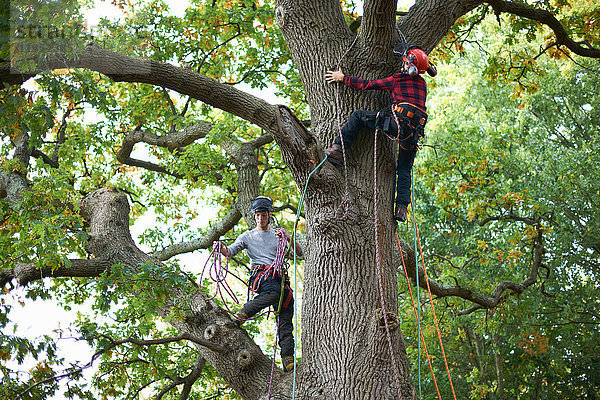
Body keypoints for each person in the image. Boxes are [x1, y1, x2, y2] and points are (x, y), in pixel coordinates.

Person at [324, 43, 437, 222]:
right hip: (414, 133)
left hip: (397, 123)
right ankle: (401, 207)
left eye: (406, 62)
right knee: (405, 168)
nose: (403, 64)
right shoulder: (422, 85)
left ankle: (338, 150)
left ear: (411, 66)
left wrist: (342, 78)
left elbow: (369, 85)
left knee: (359, 116)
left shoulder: (399, 79)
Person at [215, 196, 302, 372]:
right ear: (254, 216)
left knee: (286, 316)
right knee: (273, 293)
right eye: (258, 216)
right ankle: (243, 313)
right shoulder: (247, 236)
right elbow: (230, 252)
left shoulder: (279, 235)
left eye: (264, 215)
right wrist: (220, 247)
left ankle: (288, 359)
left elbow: (299, 253)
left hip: (279, 277)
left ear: (269, 215)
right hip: (261, 275)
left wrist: (289, 237)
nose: (261, 219)